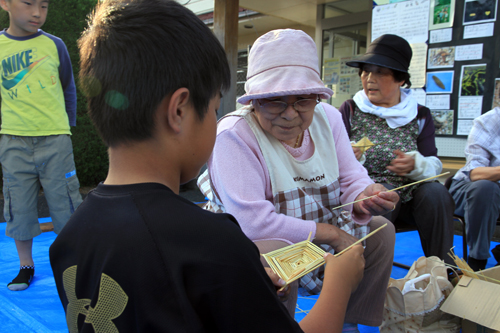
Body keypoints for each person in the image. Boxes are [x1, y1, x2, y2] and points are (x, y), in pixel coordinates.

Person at [49, 1, 366, 332]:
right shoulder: (215, 245)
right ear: (180, 111)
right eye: (215, 109)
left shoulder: (69, 240)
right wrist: (339, 286)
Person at [198, 29, 398, 331]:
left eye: (303, 100)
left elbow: (352, 177)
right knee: (277, 252)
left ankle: (347, 322)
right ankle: (281, 326)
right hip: (254, 243)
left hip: (312, 224)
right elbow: (253, 224)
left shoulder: (328, 118)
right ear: (253, 101)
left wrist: (366, 194)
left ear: (317, 97)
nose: (290, 114)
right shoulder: (235, 136)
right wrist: (330, 234)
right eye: (274, 101)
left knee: (380, 231)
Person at [338, 34, 455, 265]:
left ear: (400, 79)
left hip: (414, 198)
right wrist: (349, 157)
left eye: (380, 72)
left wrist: (416, 165)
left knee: (437, 193)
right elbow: (329, 157)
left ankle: (443, 270)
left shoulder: (419, 114)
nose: (369, 79)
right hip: (369, 194)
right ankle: (368, 274)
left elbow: (434, 163)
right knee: (383, 192)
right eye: (365, 71)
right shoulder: (351, 109)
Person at [0, 0, 82, 291]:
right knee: (18, 206)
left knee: (66, 205)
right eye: (28, 3)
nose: (37, 12)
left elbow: (67, 86)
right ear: (5, 3)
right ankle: (25, 266)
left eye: (44, 5)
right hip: (13, 142)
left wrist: (66, 128)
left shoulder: (54, 45)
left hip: (55, 140)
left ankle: (73, 267)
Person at [449, 107, 500, 271]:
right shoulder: (488, 122)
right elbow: (476, 173)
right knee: (486, 188)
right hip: (474, 189)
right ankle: (477, 262)